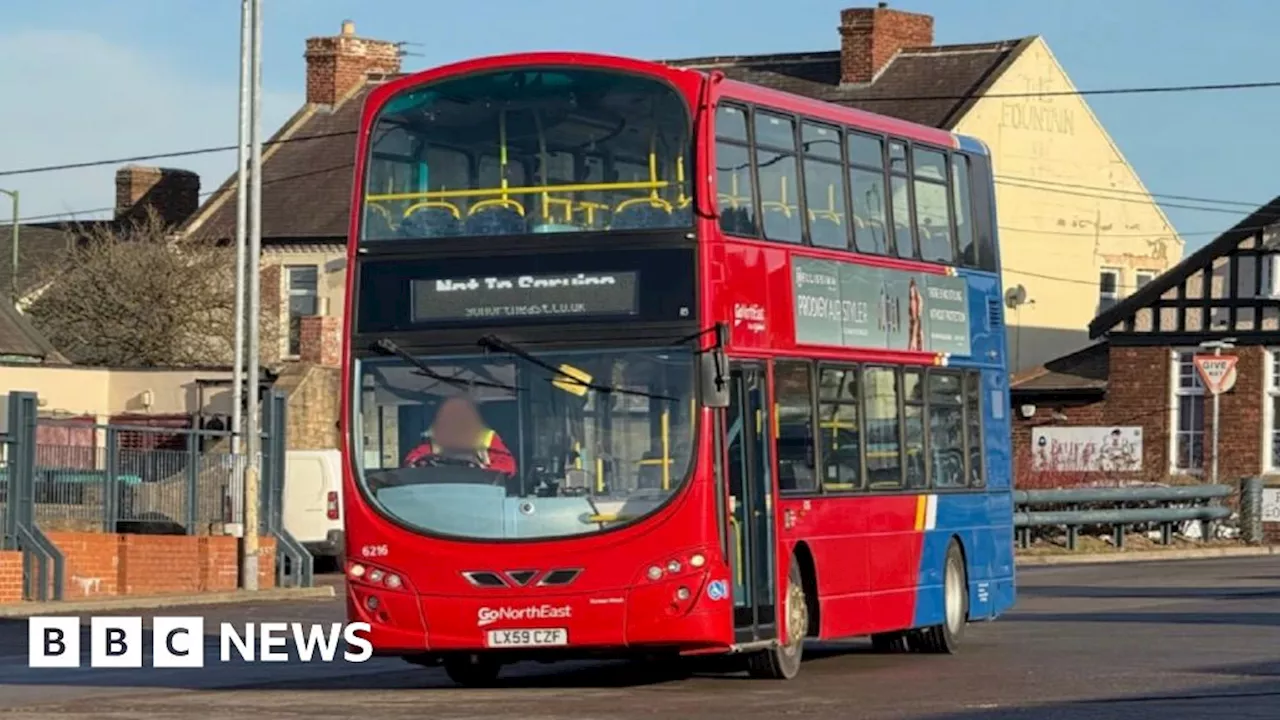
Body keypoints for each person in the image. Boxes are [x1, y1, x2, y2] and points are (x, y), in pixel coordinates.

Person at [404, 396, 517, 475]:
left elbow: (509, 467)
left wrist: (486, 469)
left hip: (476, 492)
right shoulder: (436, 440)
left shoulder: (486, 439)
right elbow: (412, 461)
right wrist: (414, 465)